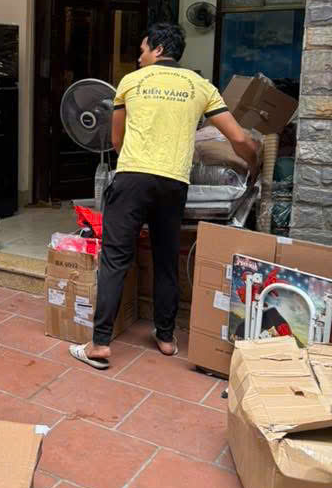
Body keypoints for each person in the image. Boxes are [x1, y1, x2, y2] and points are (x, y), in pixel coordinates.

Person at [70, 22, 259, 372]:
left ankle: (99, 344)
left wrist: (136, 163)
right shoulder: (200, 86)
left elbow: (116, 140)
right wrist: (255, 164)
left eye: (142, 50)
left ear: (157, 49)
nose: (139, 57)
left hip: (132, 178)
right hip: (173, 184)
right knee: (166, 259)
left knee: (115, 258)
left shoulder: (131, 82)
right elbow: (239, 139)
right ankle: (167, 338)